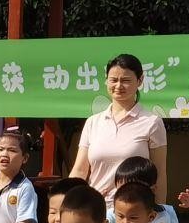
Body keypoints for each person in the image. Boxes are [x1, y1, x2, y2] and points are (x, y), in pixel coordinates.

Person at [69, 53, 167, 198]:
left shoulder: (152, 122)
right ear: (106, 81)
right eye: (113, 80)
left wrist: (160, 212)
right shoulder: (93, 122)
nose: (118, 86)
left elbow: (159, 173)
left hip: (135, 213)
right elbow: (80, 170)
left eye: (126, 80)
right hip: (96, 210)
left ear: (140, 81)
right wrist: (68, 203)